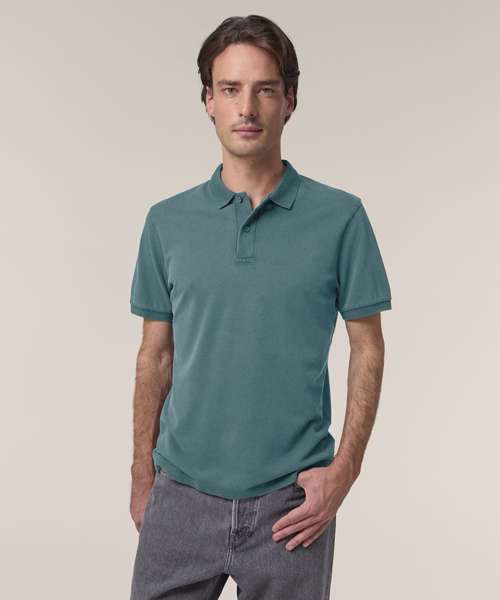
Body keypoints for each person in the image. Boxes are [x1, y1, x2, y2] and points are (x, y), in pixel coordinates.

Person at [128, 14, 392, 600]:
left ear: (289, 100)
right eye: (230, 89)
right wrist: (143, 475)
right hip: (181, 493)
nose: (246, 107)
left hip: (292, 505)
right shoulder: (166, 223)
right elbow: (155, 356)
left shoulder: (341, 218)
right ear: (208, 100)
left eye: (264, 89)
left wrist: (345, 471)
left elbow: (367, 345)